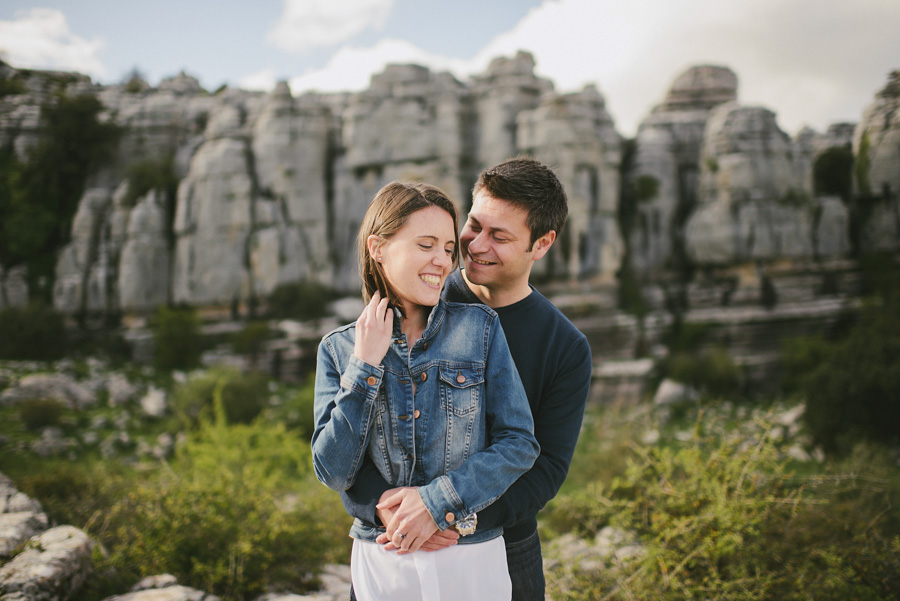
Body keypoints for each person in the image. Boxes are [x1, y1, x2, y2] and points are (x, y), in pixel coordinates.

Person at [342, 158, 593, 601]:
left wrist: (447, 515)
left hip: (504, 550)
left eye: (499, 236)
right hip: (392, 543)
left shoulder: (564, 346)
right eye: (474, 225)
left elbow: (546, 470)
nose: (475, 245)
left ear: (541, 244)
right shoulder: (417, 292)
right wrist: (389, 511)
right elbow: (352, 438)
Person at [312, 181, 540, 600]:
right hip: (383, 563)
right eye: (426, 244)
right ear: (378, 248)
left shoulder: (480, 330)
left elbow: (518, 443)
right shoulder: (339, 349)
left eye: (449, 248)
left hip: (468, 561)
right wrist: (364, 366)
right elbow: (334, 470)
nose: (443, 261)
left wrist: (437, 504)